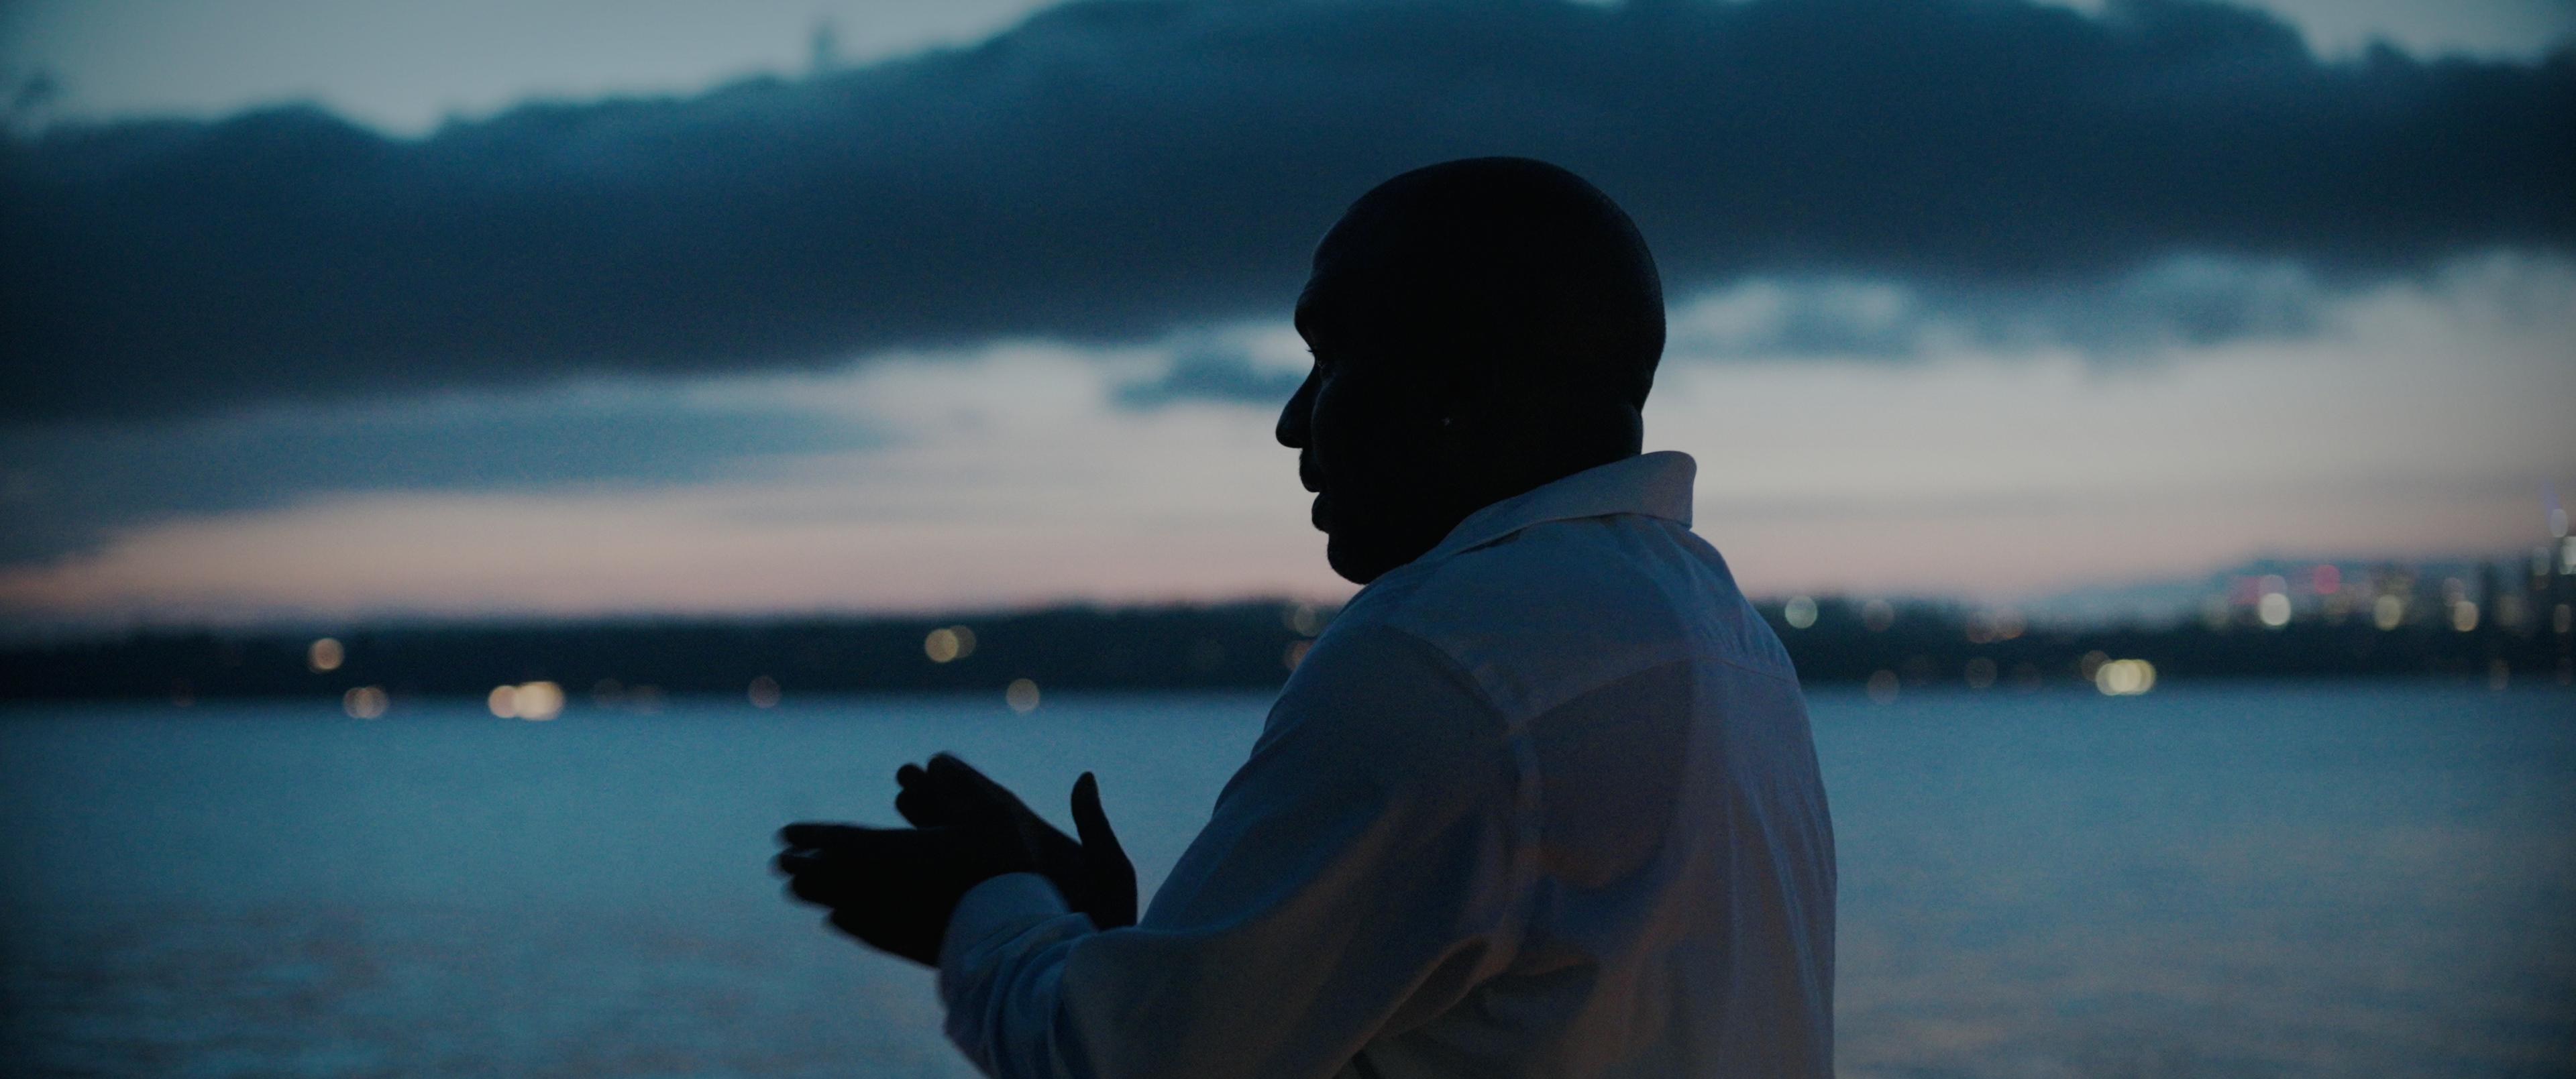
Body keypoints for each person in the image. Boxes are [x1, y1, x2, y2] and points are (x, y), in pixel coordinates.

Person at [774, 157, 1836, 1077]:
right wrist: (1116, 941)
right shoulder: (1721, 639)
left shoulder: (1445, 659)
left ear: (1456, 383)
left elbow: (1126, 1064)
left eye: (1331, 357)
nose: (1292, 421)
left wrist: (985, 912)